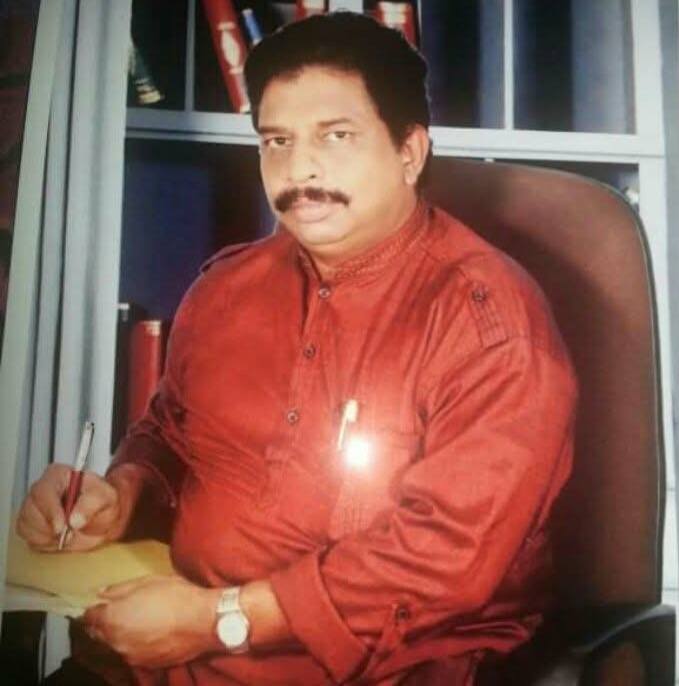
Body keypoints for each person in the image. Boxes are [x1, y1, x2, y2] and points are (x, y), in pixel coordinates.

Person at [17, 12, 577, 686]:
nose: (299, 168)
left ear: (410, 152)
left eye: (335, 136)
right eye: (276, 141)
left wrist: (216, 620)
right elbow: (170, 434)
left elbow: (440, 559)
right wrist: (120, 496)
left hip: (376, 672)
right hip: (161, 657)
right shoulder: (224, 288)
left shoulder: (489, 325)